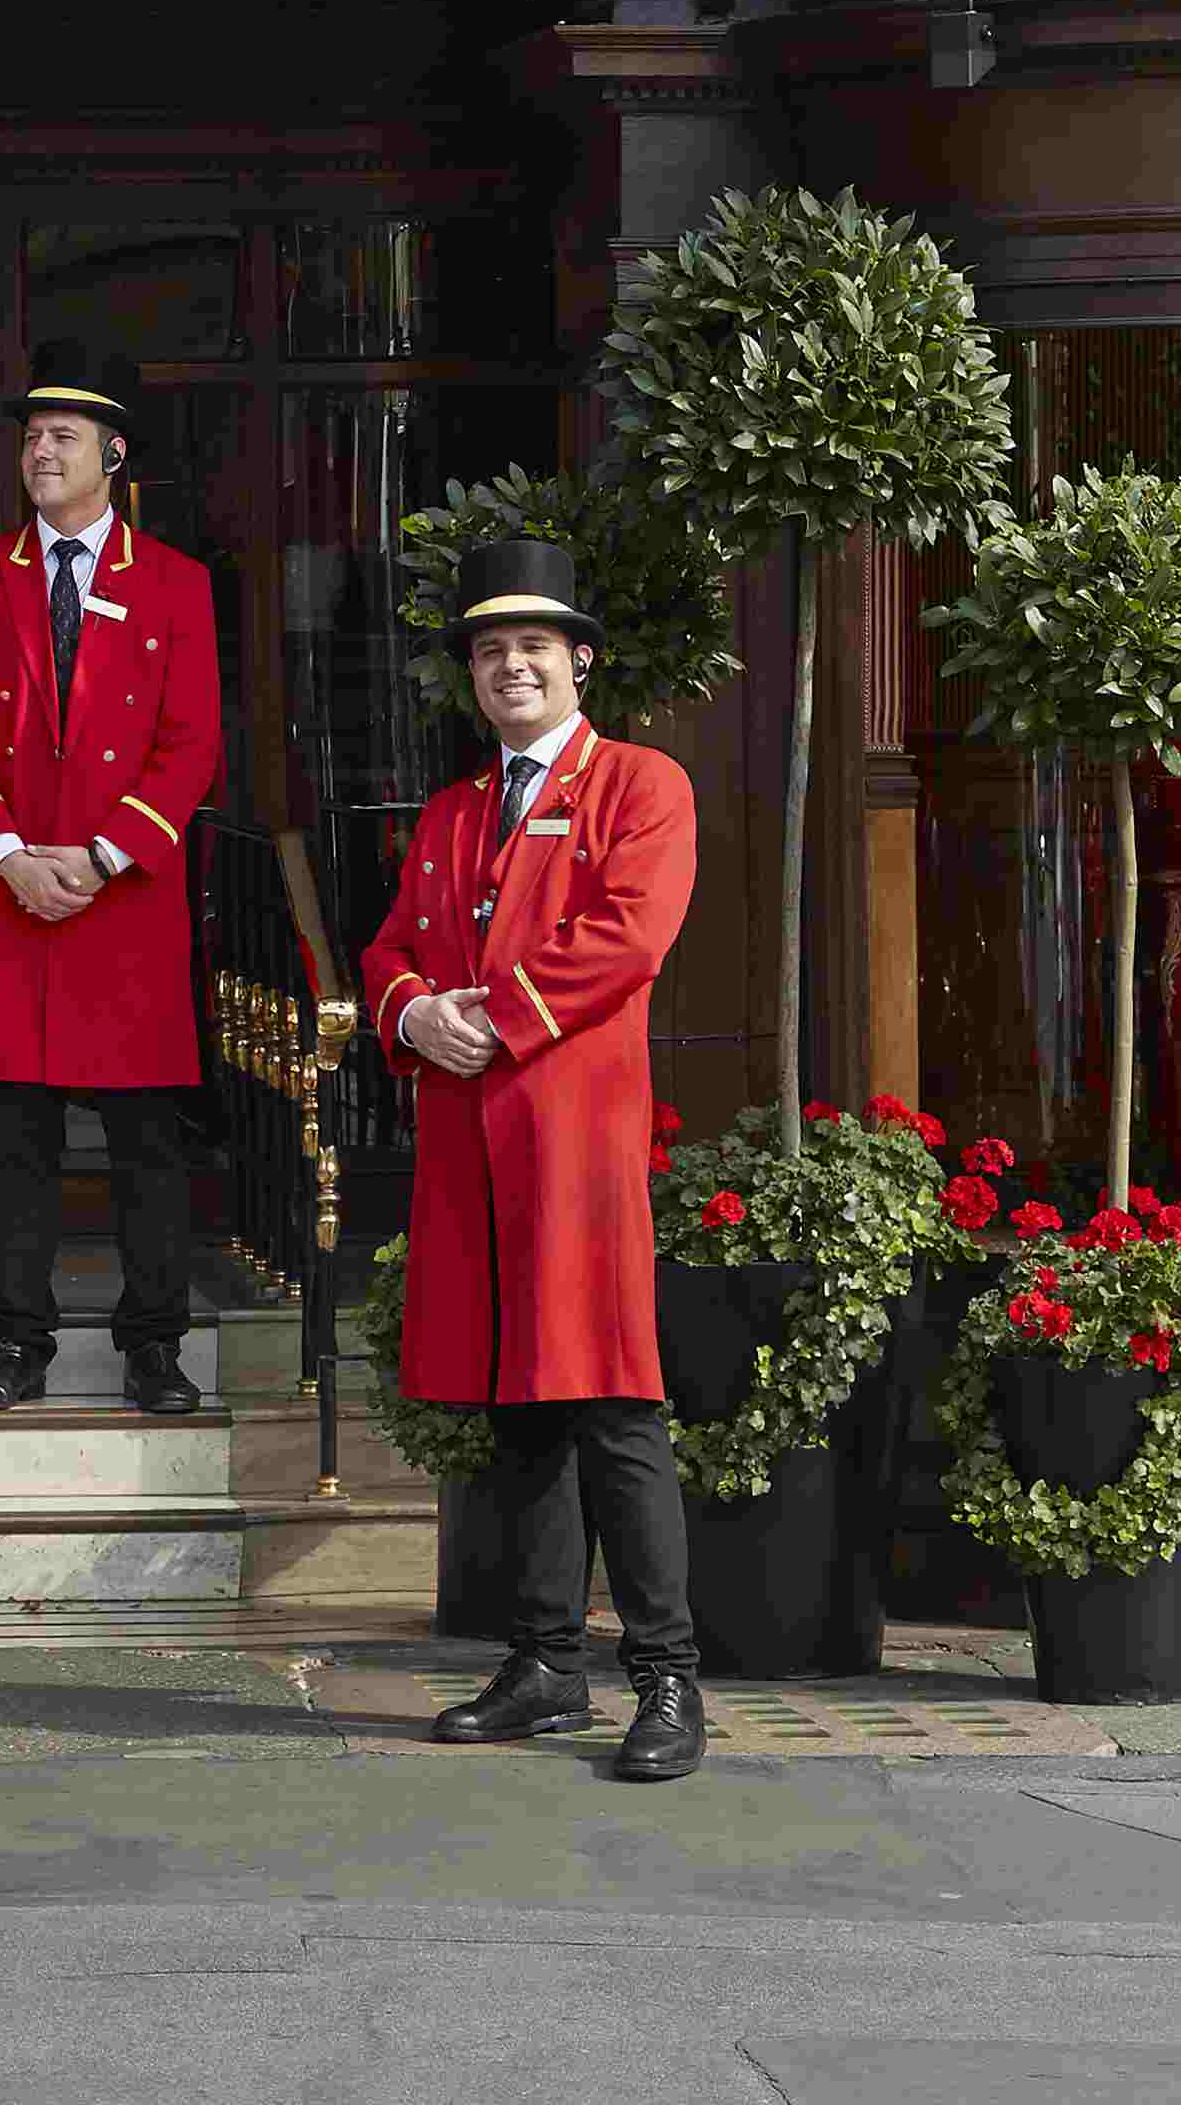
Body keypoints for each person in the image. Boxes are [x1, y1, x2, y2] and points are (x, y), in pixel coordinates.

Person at [362, 536, 706, 1785]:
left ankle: (667, 1680)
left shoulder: (641, 783)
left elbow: (628, 938)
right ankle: (546, 1664)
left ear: (582, 664)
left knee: (613, 1406)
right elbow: (392, 944)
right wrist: (410, 1014)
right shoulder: (453, 812)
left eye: (534, 648)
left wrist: (486, 1019)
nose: (512, 667)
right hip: (472, 1147)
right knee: (519, 1414)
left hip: (575, 1143)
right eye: (491, 651)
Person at [0, 347, 221, 1419]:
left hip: (122, 901)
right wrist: (8, 856)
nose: (40, 451)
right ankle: (17, 1341)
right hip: (13, 901)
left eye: (63, 437)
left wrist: (97, 858)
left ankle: (153, 1344)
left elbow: (190, 746)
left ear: (114, 456)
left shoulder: (176, 582)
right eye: (32, 436)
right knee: (17, 1142)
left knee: (145, 1142)